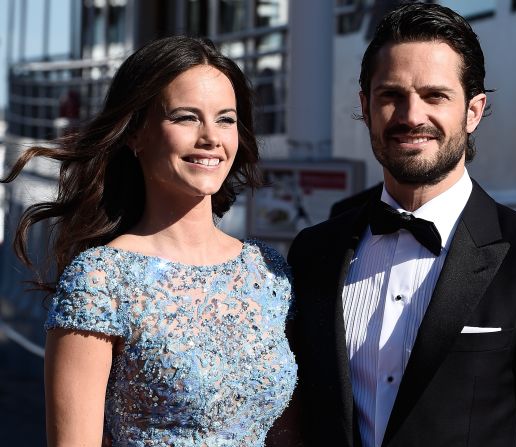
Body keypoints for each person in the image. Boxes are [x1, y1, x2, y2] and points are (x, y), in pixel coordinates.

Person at [287, 3, 516, 447]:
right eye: (391, 96)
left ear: (474, 111)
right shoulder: (314, 253)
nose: (411, 116)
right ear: (365, 107)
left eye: (434, 96)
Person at [2, 36, 297, 446]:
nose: (211, 137)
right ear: (135, 134)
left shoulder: (268, 271)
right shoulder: (100, 280)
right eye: (185, 117)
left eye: (226, 119)